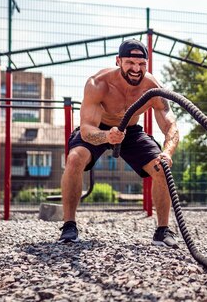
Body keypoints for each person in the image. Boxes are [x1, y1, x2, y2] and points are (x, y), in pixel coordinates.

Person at [58, 39, 179, 247]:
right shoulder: (98, 83)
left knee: (161, 168)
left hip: (130, 132)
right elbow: (86, 129)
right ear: (118, 61)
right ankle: (69, 226)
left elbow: (171, 126)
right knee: (75, 158)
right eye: (130, 63)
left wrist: (167, 152)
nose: (136, 69)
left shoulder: (152, 88)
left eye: (141, 64)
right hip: (98, 128)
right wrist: (106, 136)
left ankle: (162, 231)